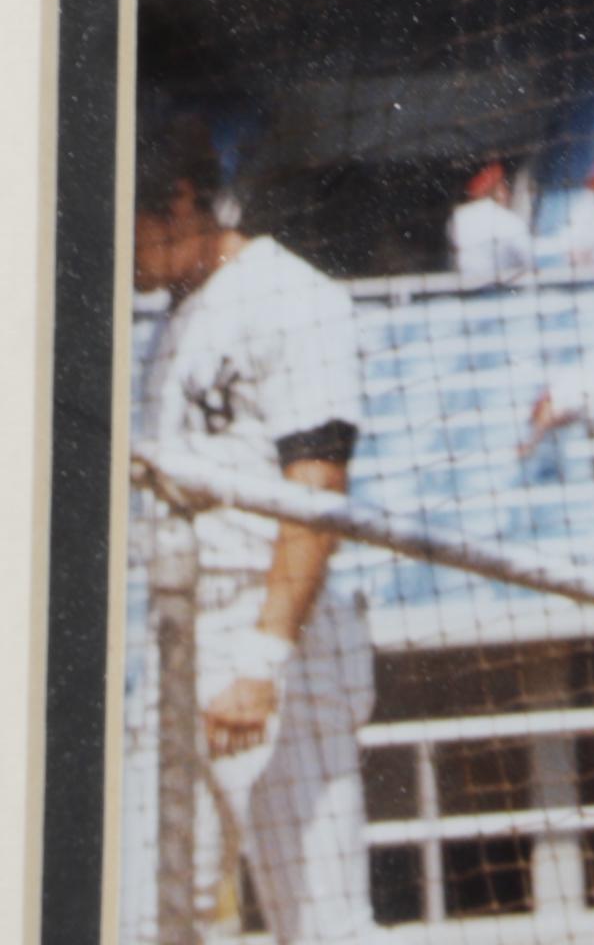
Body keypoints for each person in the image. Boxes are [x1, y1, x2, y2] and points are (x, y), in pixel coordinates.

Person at [125, 122, 374, 945]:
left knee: (323, 926)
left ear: (181, 201)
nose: (116, 249)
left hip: (273, 637)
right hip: (182, 633)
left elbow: (317, 489)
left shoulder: (290, 296)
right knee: (145, 913)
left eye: (125, 219)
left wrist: (262, 661)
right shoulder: (177, 316)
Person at [448, 158, 533, 288]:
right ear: (498, 190)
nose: (507, 193)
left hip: (464, 291)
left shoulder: (456, 217)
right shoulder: (508, 220)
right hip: (501, 292)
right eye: (503, 186)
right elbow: (530, 260)